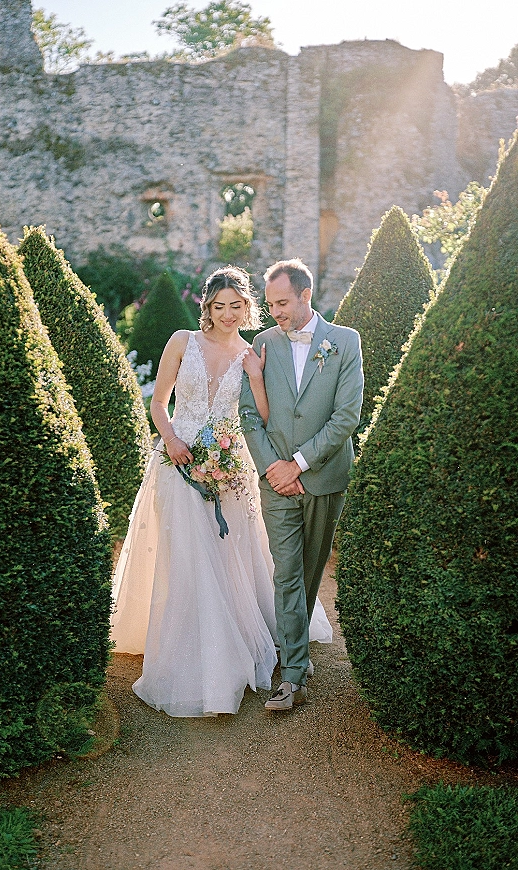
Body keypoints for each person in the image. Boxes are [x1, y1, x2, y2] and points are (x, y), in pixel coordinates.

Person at [111, 265, 333, 718]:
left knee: (231, 554)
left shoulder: (255, 352)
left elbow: (266, 415)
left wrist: (254, 377)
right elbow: (158, 400)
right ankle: (193, 644)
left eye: (237, 306)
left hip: (232, 465)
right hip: (177, 460)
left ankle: (234, 638)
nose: (228, 314)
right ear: (206, 308)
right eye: (219, 306)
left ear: (247, 307)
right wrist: (171, 438)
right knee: (188, 554)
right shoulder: (181, 341)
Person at [239, 258, 363, 711]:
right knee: (287, 571)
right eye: (270, 304)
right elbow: (250, 413)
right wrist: (274, 466)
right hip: (275, 481)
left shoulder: (344, 342)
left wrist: (300, 463)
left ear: (306, 295)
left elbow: (346, 415)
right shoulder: (262, 344)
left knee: (310, 569)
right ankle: (291, 674)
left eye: (283, 302)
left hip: (324, 478)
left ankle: (296, 649)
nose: (275, 312)